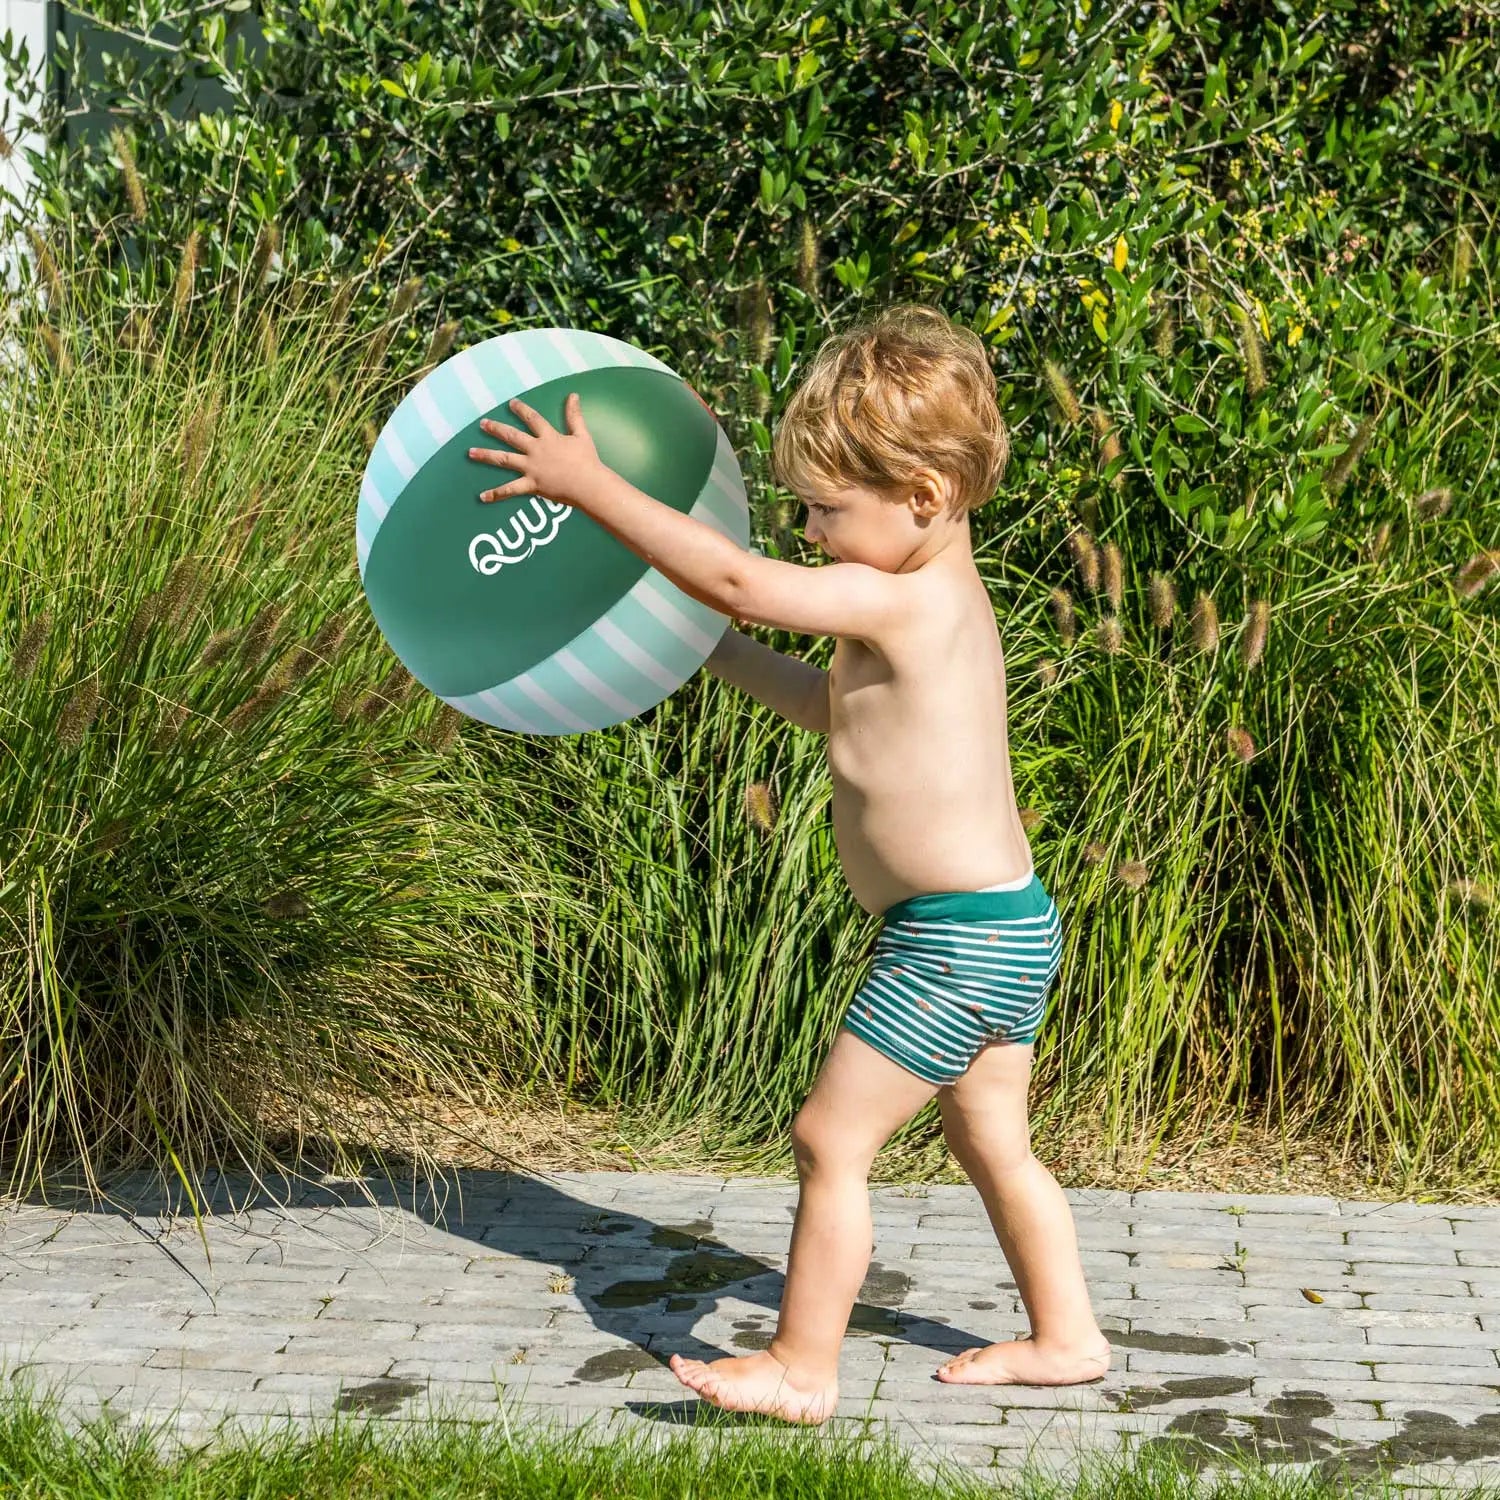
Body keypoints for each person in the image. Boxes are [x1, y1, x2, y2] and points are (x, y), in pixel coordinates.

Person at [466, 302, 1112, 1426]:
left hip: (952, 939)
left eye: (823, 510)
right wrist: (715, 650)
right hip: (1006, 922)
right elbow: (827, 703)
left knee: (830, 1137)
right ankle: (1067, 1336)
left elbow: (741, 578)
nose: (808, 533)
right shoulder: (928, 607)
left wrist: (591, 486)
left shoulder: (903, 600)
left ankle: (801, 1367)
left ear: (923, 497)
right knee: (992, 1138)